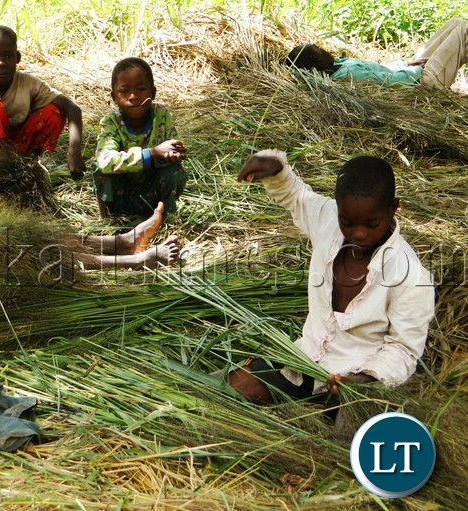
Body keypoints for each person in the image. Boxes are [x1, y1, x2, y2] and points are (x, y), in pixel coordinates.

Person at [223, 150, 435, 410]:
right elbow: (298, 197)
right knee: (220, 391)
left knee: (342, 440)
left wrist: (365, 379)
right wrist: (276, 171)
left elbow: (404, 349)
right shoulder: (328, 221)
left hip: (352, 386)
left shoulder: (411, 276)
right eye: (347, 221)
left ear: (393, 208)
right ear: (337, 208)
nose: (358, 233)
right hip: (301, 362)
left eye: (372, 224)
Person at [0, 25, 86, 178]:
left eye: (8, 56)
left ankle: (30, 164)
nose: (1, 63)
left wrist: (74, 152)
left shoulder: (27, 83)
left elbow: (71, 108)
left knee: (54, 111)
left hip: (17, 151)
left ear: (17, 57)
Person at [93, 57, 188, 219]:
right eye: (124, 91)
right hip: (121, 194)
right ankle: (109, 222)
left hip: (152, 193)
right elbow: (104, 160)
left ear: (153, 93)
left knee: (176, 172)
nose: (133, 96)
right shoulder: (111, 123)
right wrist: (151, 153)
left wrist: (172, 155)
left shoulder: (162, 117)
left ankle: (163, 218)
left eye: (141, 89)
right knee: (100, 170)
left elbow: (171, 150)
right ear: (114, 97)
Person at [286, 18, 468, 89]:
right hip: (421, 83)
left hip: (409, 72)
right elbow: (390, 81)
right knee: (465, 30)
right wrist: (418, 70)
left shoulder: (339, 64)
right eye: (321, 50)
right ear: (315, 58)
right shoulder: (348, 76)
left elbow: (383, 70)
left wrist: (406, 64)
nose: (326, 50)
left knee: (455, 22)